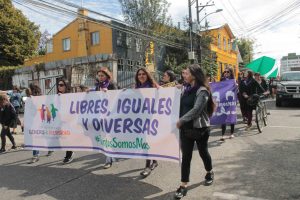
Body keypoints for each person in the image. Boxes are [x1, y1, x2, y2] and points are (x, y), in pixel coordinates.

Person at [174, 64, 215, 199]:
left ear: (194, 75)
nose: (183, 76)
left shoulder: (202, 91)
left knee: (203, 152)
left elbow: (196, 110)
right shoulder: (186, 88)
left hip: (200, 128)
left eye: (186, 73)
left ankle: (209, 172)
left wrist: (181, 120)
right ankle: (183, 184)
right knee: (186, 156)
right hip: (186, 128)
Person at [134, 67, 160, 177]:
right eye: (139, 74)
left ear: (147, 75)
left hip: (152, 119)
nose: (141, 76)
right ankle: (154, 161)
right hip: (141, 119)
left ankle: (147, 166)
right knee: (146, 141)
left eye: (143, 74)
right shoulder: (136, 88)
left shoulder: (154, 87)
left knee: (147, 141)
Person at [94, 67, 118, 169]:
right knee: (105, 136)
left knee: (109, 136)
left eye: (102, 75)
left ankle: (109, 159)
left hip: (111, 115)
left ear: (107, 76)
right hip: (101, 115)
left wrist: (108, 92)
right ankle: (110, 156)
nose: (100, 77)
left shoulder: (112, 85)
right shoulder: (97, 86)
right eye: (99, 76)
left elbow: (117, 97)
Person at [28, 84, 53, 163]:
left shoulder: (41, 98)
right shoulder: (30, 99)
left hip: (42, 121)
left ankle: (38, 154)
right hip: (34, 122)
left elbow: (45, 108)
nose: (28, 91)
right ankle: (36, 155)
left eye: (29, 89)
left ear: (33, 90)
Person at [57, 79, 74, 164]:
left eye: (61, 85)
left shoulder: (70, 96)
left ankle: (69, 155)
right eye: (59, 85)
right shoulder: (57, 96)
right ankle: (70, 152)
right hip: (60, 120)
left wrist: (63, 98)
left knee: (68, 138)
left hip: (68, 120)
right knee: (63, 138)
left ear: (66, 86)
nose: (59, 86)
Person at [220, 68, 236, 141]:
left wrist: (236, 85)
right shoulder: (222, 80)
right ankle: (223, 135)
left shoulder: (233, 80)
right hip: (224, 101)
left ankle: (231, 133)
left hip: (231, 101)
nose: (226, 73)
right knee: (223, 117)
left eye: (227, 72)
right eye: (225, 72)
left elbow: (236, 89)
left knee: (231, 116)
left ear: (230, 73)